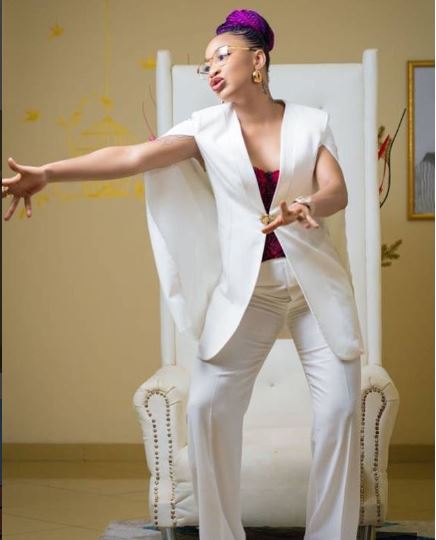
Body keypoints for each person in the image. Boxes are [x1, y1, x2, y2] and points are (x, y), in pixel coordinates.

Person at [2, 8, 363, 540]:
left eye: (222, 56)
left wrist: (306, 203)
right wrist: (50, 173)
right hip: (252, 294)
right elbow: (131, 157)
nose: (211, 68)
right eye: (205, 64)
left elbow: (338, 190)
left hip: (315, 289)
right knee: (206, 408)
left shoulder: (311, 121)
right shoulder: (206, 130)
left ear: (258, 60)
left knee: (340, 410)